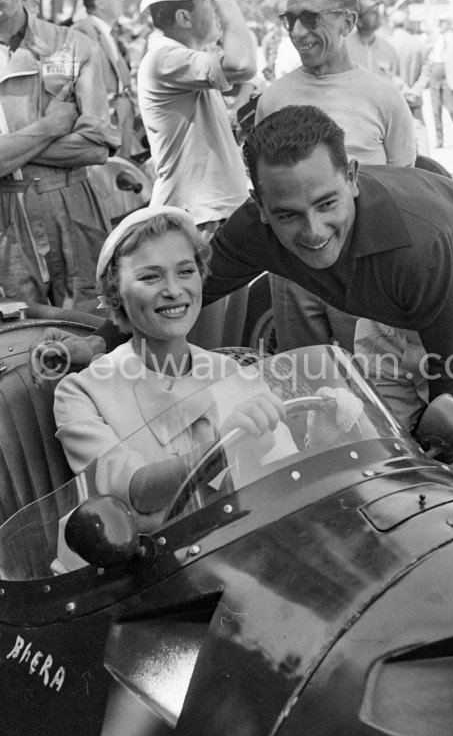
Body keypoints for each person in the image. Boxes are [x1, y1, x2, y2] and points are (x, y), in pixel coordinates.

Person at [37, 106, 453, 483]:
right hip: (390, 298)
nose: (314, 231)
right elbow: (180, 289)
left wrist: (442, 445)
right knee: (379, 442)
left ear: (353, 178)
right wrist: (102, 342)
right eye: (288, 215)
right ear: (259, 206)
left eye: (327, 203)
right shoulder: (251, 232)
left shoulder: (424, 244)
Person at [53, 205, 355, 533]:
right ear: (115, 293)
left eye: (185, 271)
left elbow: (282, 484)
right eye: (150, 276)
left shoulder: (236, 373)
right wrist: (221, 449)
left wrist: (322, 442)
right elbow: (130, 492)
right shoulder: (82, 392)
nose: (173, 289)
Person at [255, 0, 415, 353]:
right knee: (302, 376)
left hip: (364, 274)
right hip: (292, 272)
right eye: (289, 19)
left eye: (310, 18)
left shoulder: (384, 97)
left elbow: (404, 196)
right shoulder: (273, 100)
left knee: (371, 382)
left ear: (347, 21)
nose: (296, 32)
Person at [0, 0, 120, 310]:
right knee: (18, 337)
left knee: (93, 325)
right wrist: (52, 126)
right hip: (6, 224)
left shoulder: (74, 46)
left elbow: (97, 147)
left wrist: (12, 147)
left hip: (74, 206)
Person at [137, 0, 255, 231]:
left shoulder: (178, 58)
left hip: (210, 212)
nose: (215, 9)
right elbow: (244, 64)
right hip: (201, 218)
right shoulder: (165, 59)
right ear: (184, 17)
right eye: (208, 2)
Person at [73, 0, 135, 159]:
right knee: (107, 178)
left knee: (122, 175)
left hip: (121, 113)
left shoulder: (109, 33)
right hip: (104, 117)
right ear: (99, 3)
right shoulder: (83, 30)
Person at [388, 9, 431, 156]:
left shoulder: (387, 45)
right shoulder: (419, 44)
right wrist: (416, 90)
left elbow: (389, 73)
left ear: (391, 24)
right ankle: (428, 170)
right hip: (415, 100)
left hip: (395, 101)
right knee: (421, 139)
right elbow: (427, 70)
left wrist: (404, 90)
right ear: (406, 24)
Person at [428, 14, 453, 149]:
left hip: (449, 74)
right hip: (435, 73)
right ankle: (439, 139)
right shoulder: (434, 37)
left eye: (444, 22)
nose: (442, 25)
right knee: (435, 110)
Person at [346, 0, 398, 79]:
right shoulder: (344, 48)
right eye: (372, 12)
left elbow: (394, 82)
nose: (377, 14)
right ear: (358, 21)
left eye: (377, 11)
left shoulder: (388, 49)